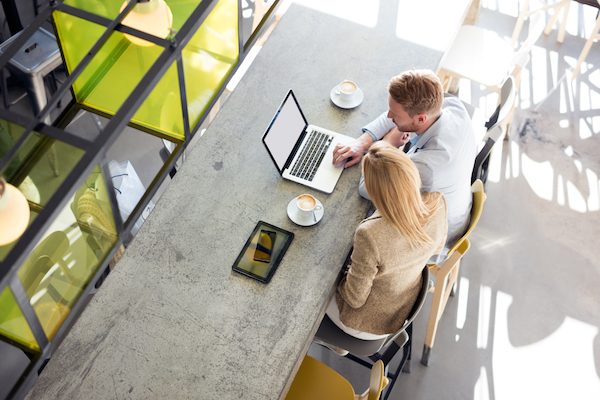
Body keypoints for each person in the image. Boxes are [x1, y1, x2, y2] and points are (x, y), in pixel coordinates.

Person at [332, 70, 476, 249]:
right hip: (460, 209)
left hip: (431, 239)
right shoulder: (454, 107)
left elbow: (366, 189)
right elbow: (397, 116)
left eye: (395, 115)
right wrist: (362, 143)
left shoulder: (426, 167)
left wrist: (388, 143)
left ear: (421, 119)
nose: (389, 117)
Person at [325, 142, 448, 342]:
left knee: (315, 288)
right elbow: (437, 249)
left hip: (367, 322)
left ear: (375, 192)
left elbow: (354, 299)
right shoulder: (437, 202)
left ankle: (339, 344)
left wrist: (342, 275)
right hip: (403, 300)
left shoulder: (369, 234)